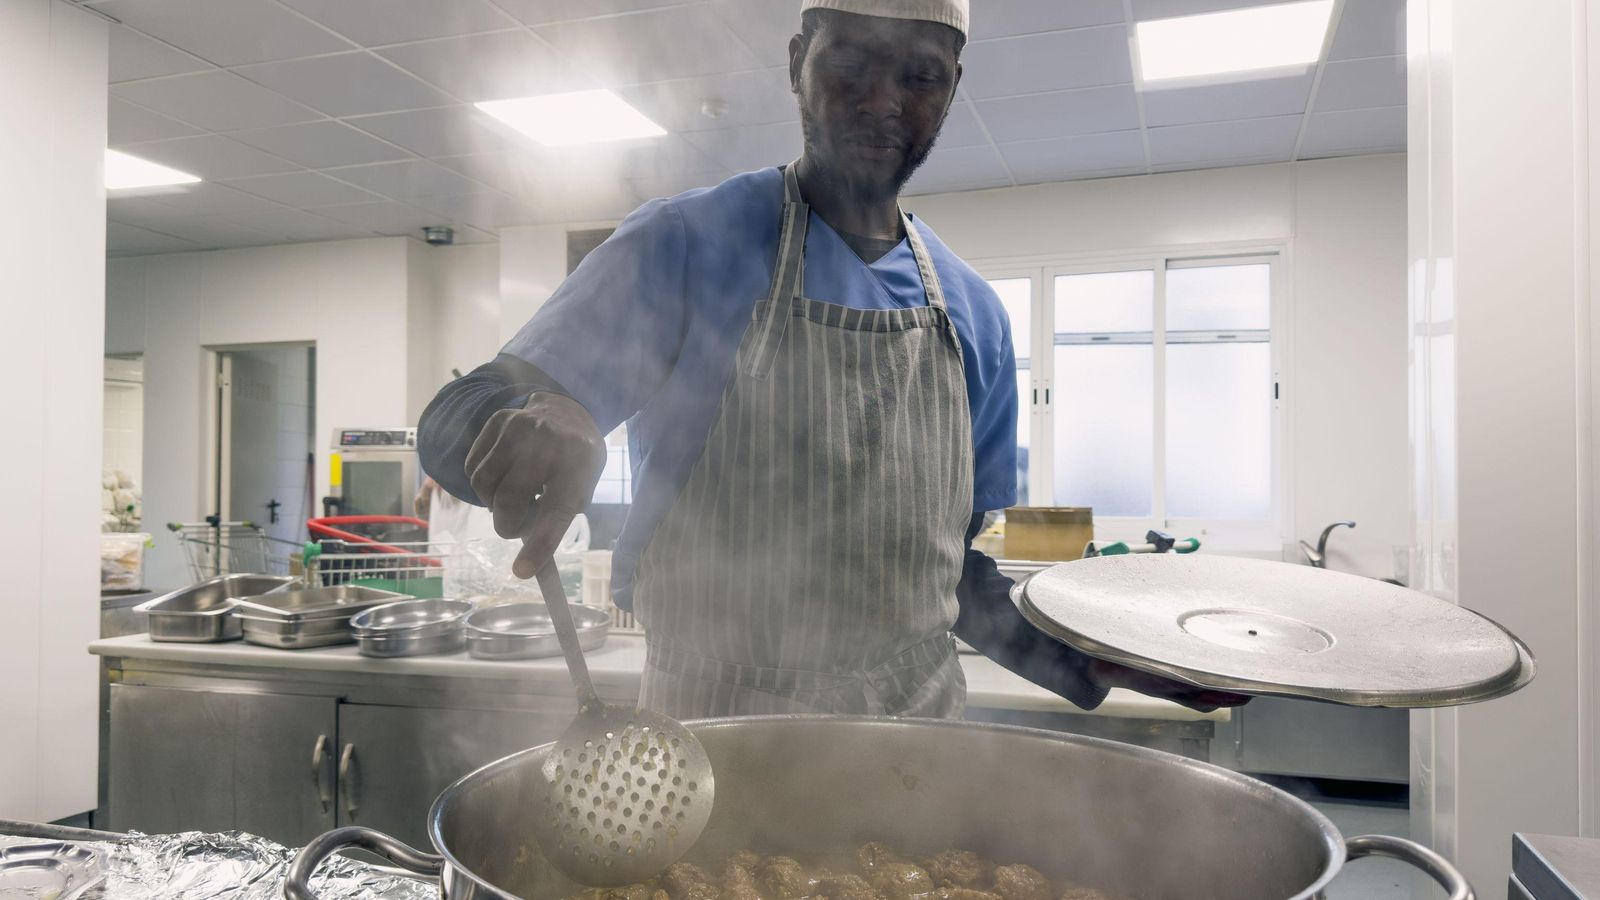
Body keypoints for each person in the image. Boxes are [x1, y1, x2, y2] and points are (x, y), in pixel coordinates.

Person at [419, 0, 1247, 718]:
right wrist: (519, 420)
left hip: (914, 752)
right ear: (796, 63)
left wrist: (1097, 648)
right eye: (850, 62)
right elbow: (457, 415)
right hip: (709, 752)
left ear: (953, 90)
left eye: (920, 76)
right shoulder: (687, 245)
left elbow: (967, 569)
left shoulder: (976, 318)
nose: (882, 101)